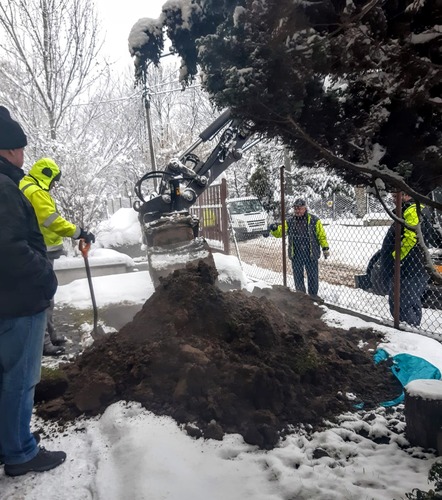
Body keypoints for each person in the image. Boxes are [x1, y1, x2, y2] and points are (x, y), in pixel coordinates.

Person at [0, 106, 66, 476]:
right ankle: (20, 452)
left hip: (6, 299)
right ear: (8, 150)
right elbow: (9, 248)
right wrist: (44, 275)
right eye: (20, 148)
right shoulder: (5, 187)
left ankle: (9, 440)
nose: (23, 155)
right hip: (19, 301)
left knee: (6, 378)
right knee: (20, 380)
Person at [19, 158, 95, 356]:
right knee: (42, 296)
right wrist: (80, 232)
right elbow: (52, 221)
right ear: (47, 175)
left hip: (37, 248)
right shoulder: (36, 192)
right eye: (54, 180)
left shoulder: (27, 186)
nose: (54, 185)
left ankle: (49, 335)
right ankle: (43, 342)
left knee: (46, 295)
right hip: (39, 249)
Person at [379, 192, 438, 327]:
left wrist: (396, 257)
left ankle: (407, 332)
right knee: (410, 301)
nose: (394, 200)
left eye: (396, 197)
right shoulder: (416, 209)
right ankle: (411, 331)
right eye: (393, 197)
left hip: (409, 266)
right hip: (414, 266)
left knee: (402, 303)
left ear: (407, 195)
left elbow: (411, 237)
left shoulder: (412, 210)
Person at [269, 198, 329, 298]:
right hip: (296, 254)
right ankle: (301, 296)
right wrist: (275, 229)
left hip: (311, 253)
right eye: (295, 208)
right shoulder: (290, 221)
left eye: (299, 208)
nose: (297, 211)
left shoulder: (314, 220)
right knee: (298, 277)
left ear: (305, 208)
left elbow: (321, 235)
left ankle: (313, 296)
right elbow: (280, 232)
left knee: (313, 277)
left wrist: (325, 247)